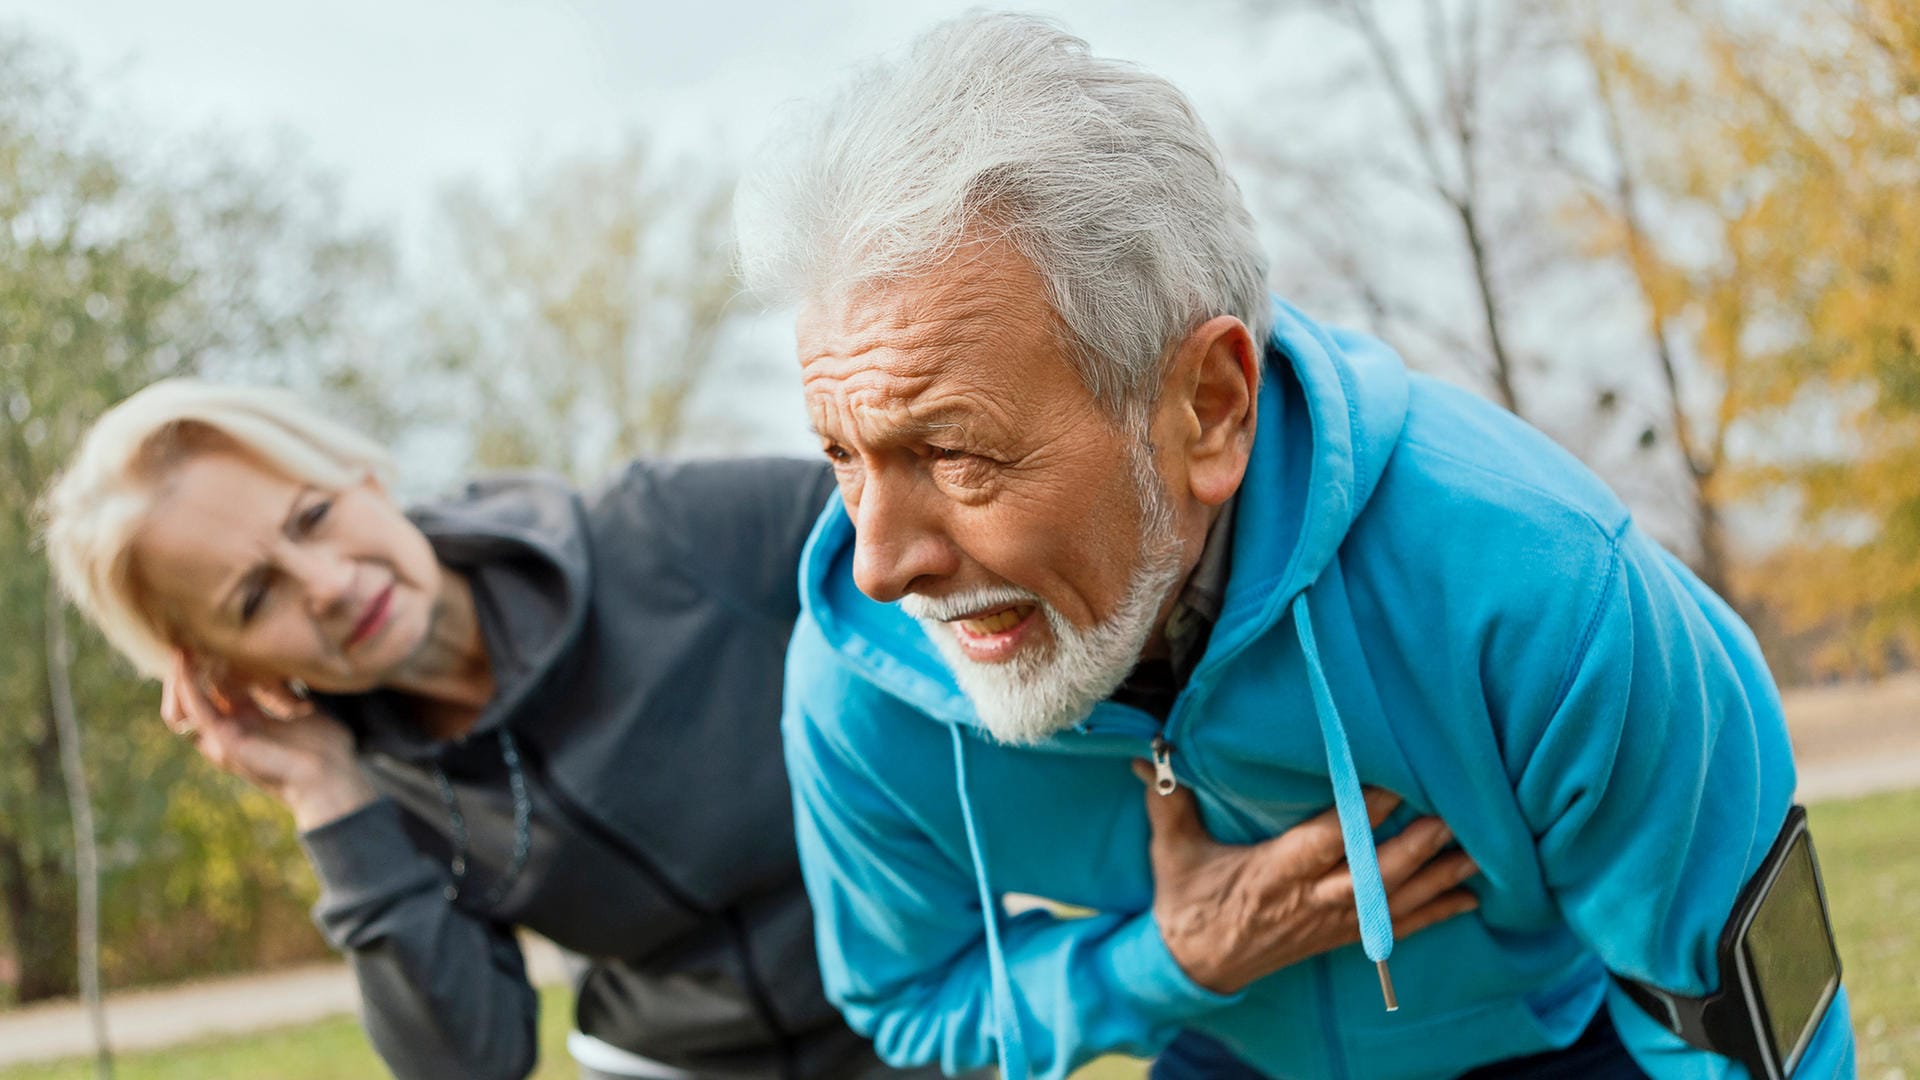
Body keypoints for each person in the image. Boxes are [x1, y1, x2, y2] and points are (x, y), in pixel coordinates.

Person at [733, 12, 1859, 1080]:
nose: (881, 566)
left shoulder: (1537, 582)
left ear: (1208, 406)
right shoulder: (857, 675)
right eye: (842, 454)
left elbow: (1737, 1017)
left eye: (958, 455)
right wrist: (1172, 961)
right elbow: (908, 1003)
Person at [41, 378, 940, 1080]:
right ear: (223, 671)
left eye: (311, 516)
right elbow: (472, 1064)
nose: (325, 582)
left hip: (926, 1006)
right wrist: (329, 796)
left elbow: (943, 562)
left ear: (362, 474)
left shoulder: (666, 531)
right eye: (254, 597)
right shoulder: (372, 785)